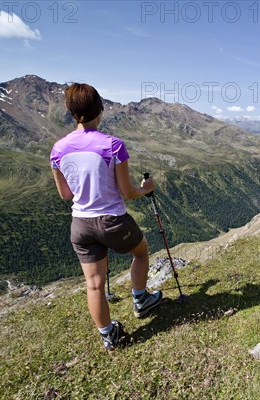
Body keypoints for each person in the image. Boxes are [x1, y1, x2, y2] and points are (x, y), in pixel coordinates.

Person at [50, 83, 162, 351]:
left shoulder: (58, 149)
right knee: (141, 252)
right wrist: (146, 189)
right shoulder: (113, 146)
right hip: (112, 220)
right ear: (100, 109)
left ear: (71, 112)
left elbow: (65, 194)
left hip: (80, 225)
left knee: (94, 285)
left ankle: (108, 335)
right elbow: (126, 192)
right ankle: (141, 299)